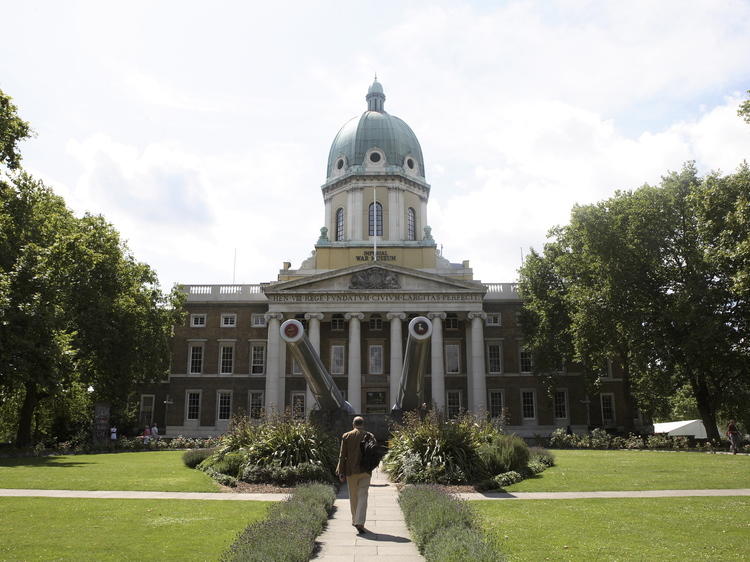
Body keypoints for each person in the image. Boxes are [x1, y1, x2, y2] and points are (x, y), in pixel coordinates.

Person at [336, 416, 373, 534]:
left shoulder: (346, 436)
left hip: (351, 471)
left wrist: (340, 471)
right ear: (363, 424)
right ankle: (360, 521)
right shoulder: (369, 436)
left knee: (353, 496)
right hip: (365, 471)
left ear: (353, 424)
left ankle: (355, 520)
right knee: (363, 496)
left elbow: (342, 455)